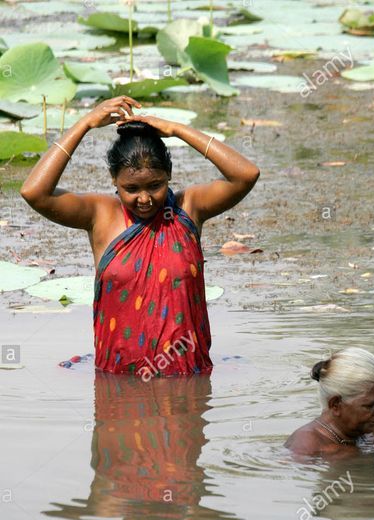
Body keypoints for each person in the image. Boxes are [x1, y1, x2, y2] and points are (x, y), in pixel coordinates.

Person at [20, 96, 260, 378]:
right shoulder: (101, 215)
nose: (144, 199)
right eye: (131, 188)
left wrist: (176, 130)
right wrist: (84, 124)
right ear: (114, 180)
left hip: (186, 382)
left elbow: (246, 174)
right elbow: (34, 192)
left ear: (169, 175)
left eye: (155, 185)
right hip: (118, 382)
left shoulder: (188, 208)